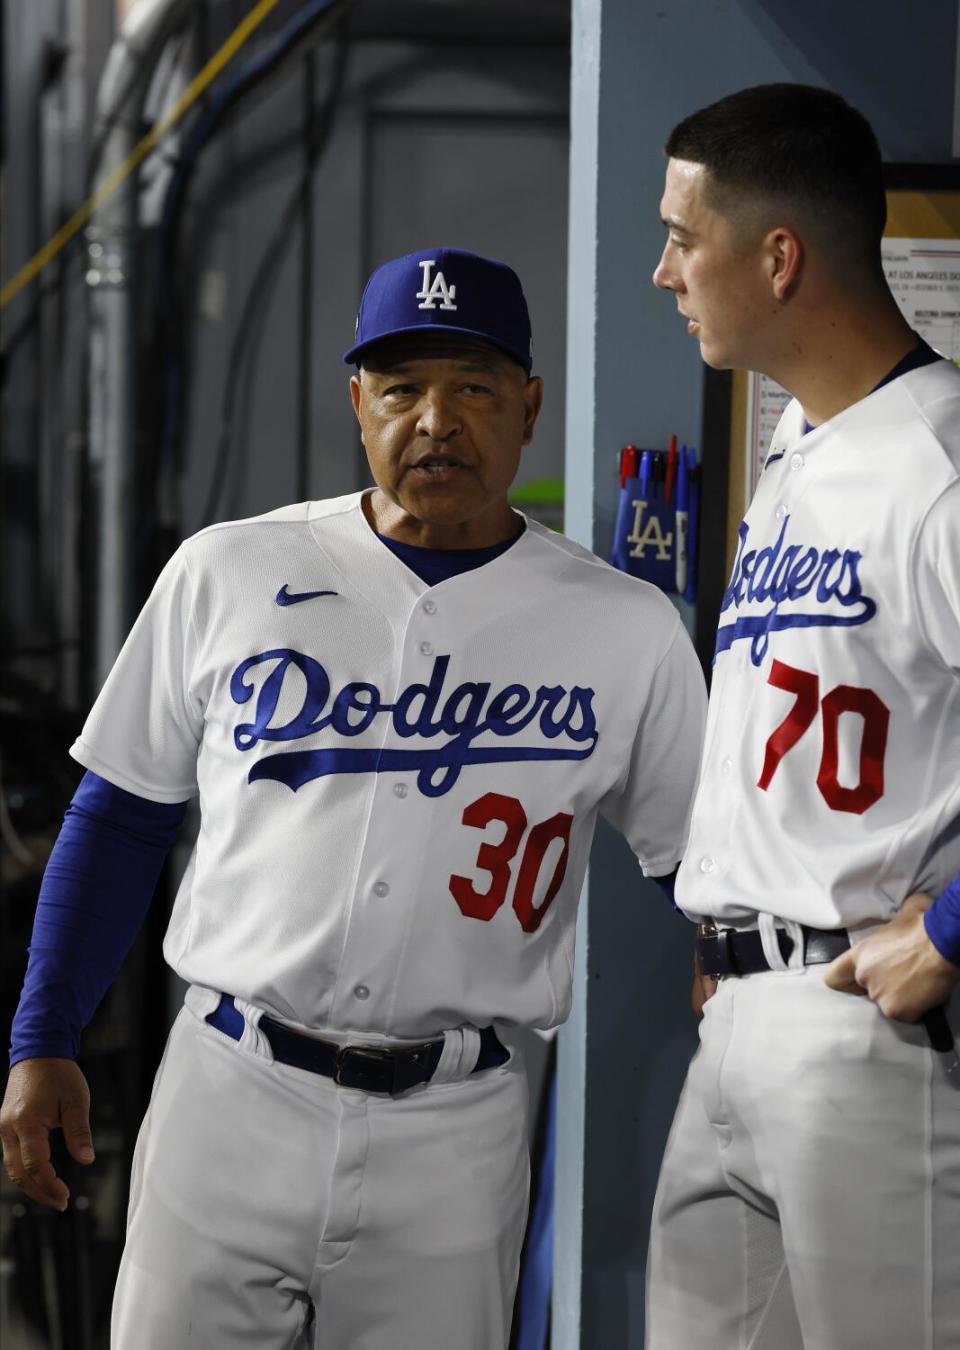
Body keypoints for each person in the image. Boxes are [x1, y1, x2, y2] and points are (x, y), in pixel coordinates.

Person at [1, 246, 707, 1349]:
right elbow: (121, 814)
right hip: (230, 1092)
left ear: (528, 407)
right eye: (402, 389)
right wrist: (42, 1032)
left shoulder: (624, 627)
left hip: (459, 1126)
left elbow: (702, 875)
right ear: (357, 404)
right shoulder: (228, 569)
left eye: (473, 387)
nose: (436, 420)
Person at [646, 83, 960, 1349]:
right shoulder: (798, 446)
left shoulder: (938, 456)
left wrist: (951, 926)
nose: (664, 269)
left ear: (778, 257)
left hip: (868, 1024)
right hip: (741, 1017)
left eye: (683, 234)